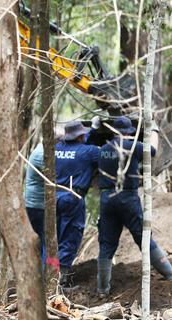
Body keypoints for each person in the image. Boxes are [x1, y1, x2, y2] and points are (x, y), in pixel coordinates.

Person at [96, 116, 172, 296]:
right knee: (143, 236)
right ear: (130, 132)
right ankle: (169, 272)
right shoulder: (133, 146)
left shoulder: (103, 149)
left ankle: (102, 289)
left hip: (107, 198)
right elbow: (152, 151)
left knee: (107, 243)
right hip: (127, 197)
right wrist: (153, 130)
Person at [55, 121, 100, 287]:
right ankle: (62, 280)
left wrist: (93, 132)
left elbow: (80, 144)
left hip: (53, 198)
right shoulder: (89, 152)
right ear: (81, 136)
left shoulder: (56, 148)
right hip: (72, 199)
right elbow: (110, 154)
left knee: (54, 238)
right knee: (70, 237)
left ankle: (52, 274)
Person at [24, 129, 65, 264]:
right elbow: (55, 176)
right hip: (37, 206)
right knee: (47, 243)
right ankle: (47, 279)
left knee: (44, 242)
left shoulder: (42, 151)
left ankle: (44, 277)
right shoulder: (42, 155)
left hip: (37, 204)